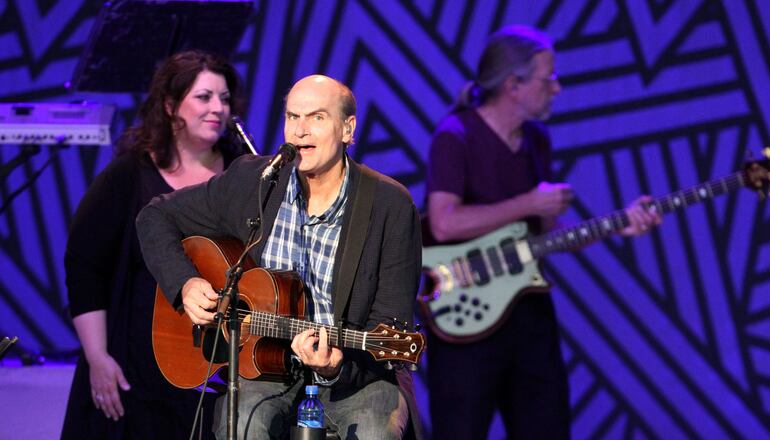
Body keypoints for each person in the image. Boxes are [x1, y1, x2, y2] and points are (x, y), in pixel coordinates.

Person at [135, 74, 423, 439]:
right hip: (261, 371)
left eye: (316, 118)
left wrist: (335, 368)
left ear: (348, 129)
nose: (300, 131)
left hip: (354, 373)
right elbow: (155, 216)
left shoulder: (390, 206)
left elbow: (389, 320)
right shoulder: (255, 181)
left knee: (374, 431)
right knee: (241, 426)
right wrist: (185, 284)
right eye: (292, 117)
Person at [424, 25, 661, 439]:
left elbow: (549, 234)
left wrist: (621, 223)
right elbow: (443, 223)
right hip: (466, 321)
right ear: (513, 84)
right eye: (548, 77)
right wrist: (529, 203)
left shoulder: (536, 138)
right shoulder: (455, 134)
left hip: (528, 315)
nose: (557, 87)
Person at [61, 50, 247, 439]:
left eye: (225, 98)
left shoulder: (243, 171)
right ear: (169, 104)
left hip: (219, 367)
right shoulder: (130, 174)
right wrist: (98, 358)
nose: (218, 108)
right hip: (137, 370)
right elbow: (85, 266)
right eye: (204, 97)